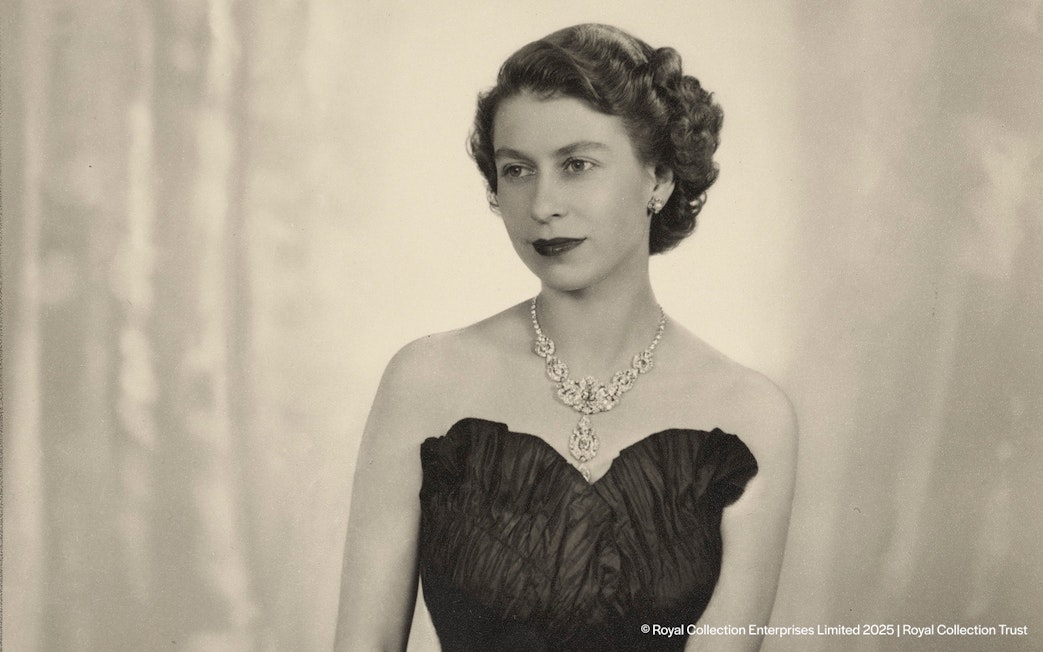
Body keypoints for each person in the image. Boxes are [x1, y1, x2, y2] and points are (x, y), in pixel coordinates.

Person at [335, 23, 797, 651]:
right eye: (517, 170)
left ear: (658, 178)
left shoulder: (749, 413)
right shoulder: (426, 381)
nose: (543, 203)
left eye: (577, 165)